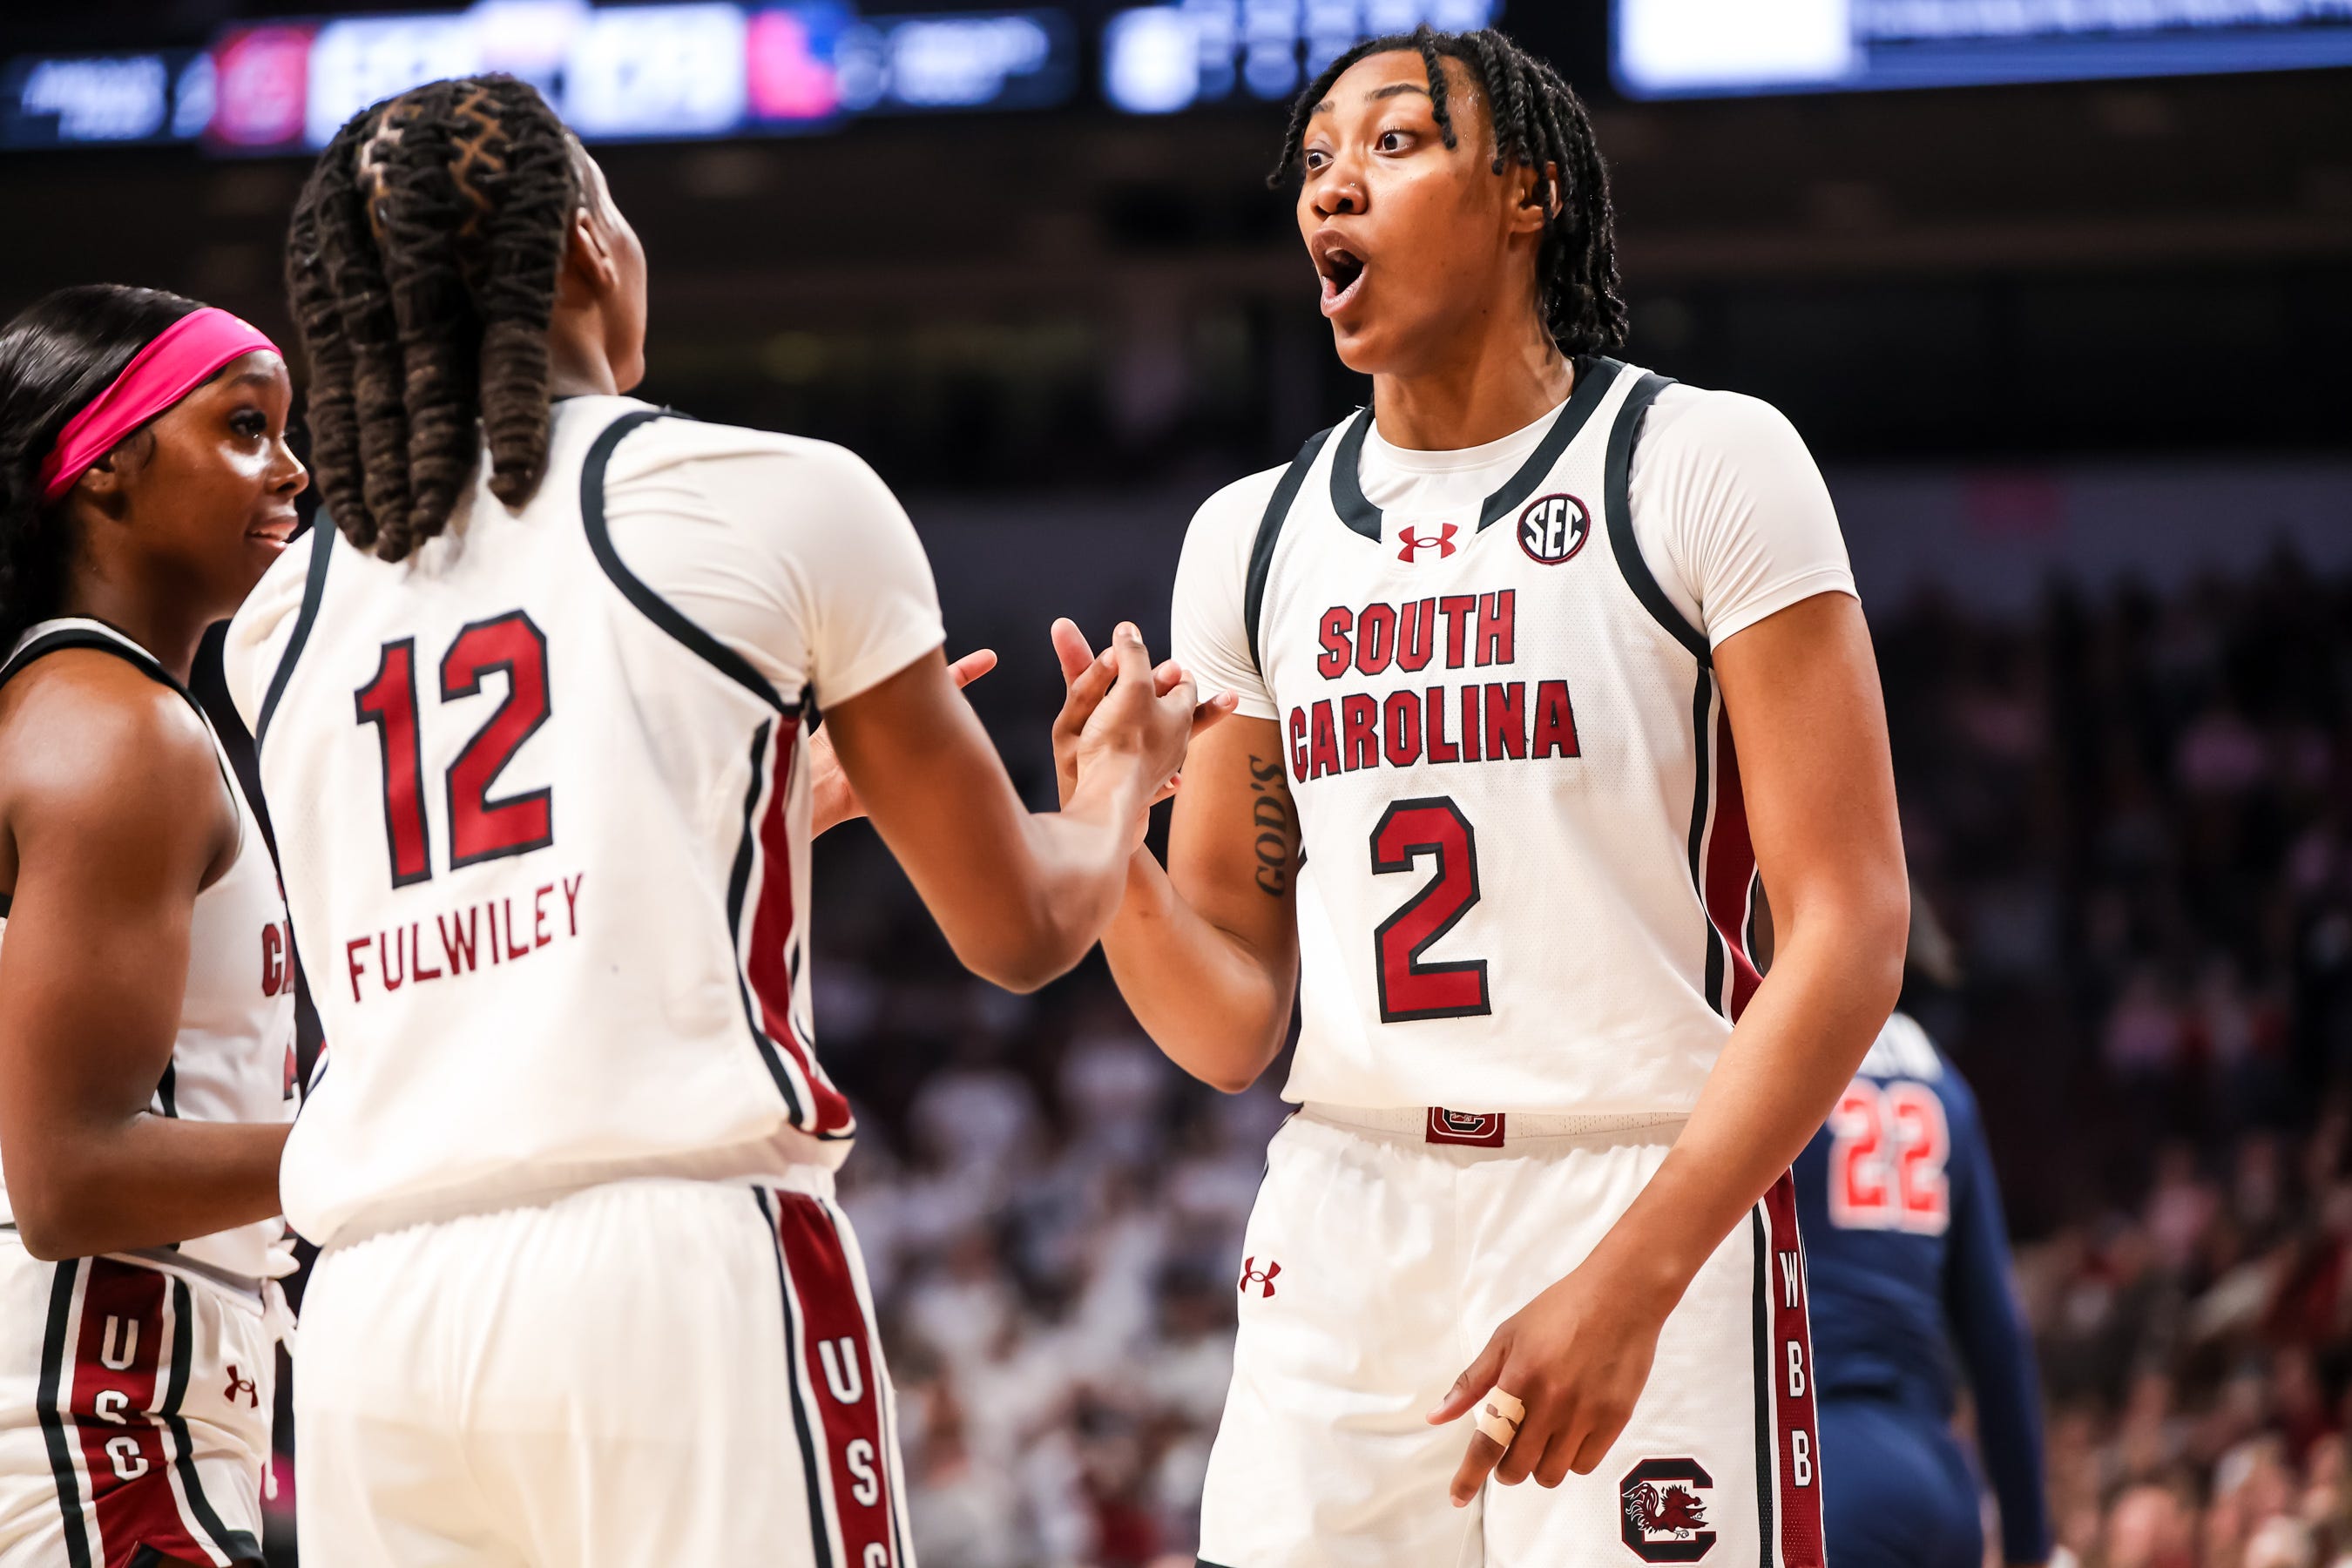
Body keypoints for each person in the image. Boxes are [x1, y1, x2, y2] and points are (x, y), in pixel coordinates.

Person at [226, 75, 1214, 1566]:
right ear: (583, 249)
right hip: (670, 1267)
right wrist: (1117, 783)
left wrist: (735, 813)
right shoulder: (772, 497)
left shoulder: (274, 622)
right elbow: (1017, 930)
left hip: (377, 1314)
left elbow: (466, 923)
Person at [1049, 25, 1908, 1566]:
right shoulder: (1248, 538)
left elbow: (1851, 929)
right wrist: (1114, 855)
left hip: (1638, 1181)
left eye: (1389, 146)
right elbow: (1234, 1018)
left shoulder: (1705, 464)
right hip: (1344, 1211)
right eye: (1313, 165)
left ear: (1530, 192)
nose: (1331, 192)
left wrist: (1634, 1278)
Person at [0, 285, 307, 1567]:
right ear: (107, 465)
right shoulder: (117, 729)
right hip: (94, 1409)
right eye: (247, 427)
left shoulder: (96, 712)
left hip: (120, 1404)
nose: (292, 469)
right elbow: (71, 1177)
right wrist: (381, 1149)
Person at [1792, 895, 2056, 1568]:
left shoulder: (1772, 1050)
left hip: (1821, 1466)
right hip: (1941, 1480)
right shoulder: (1948, 1086)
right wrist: (2030, 1546)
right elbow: (1998, 1334)